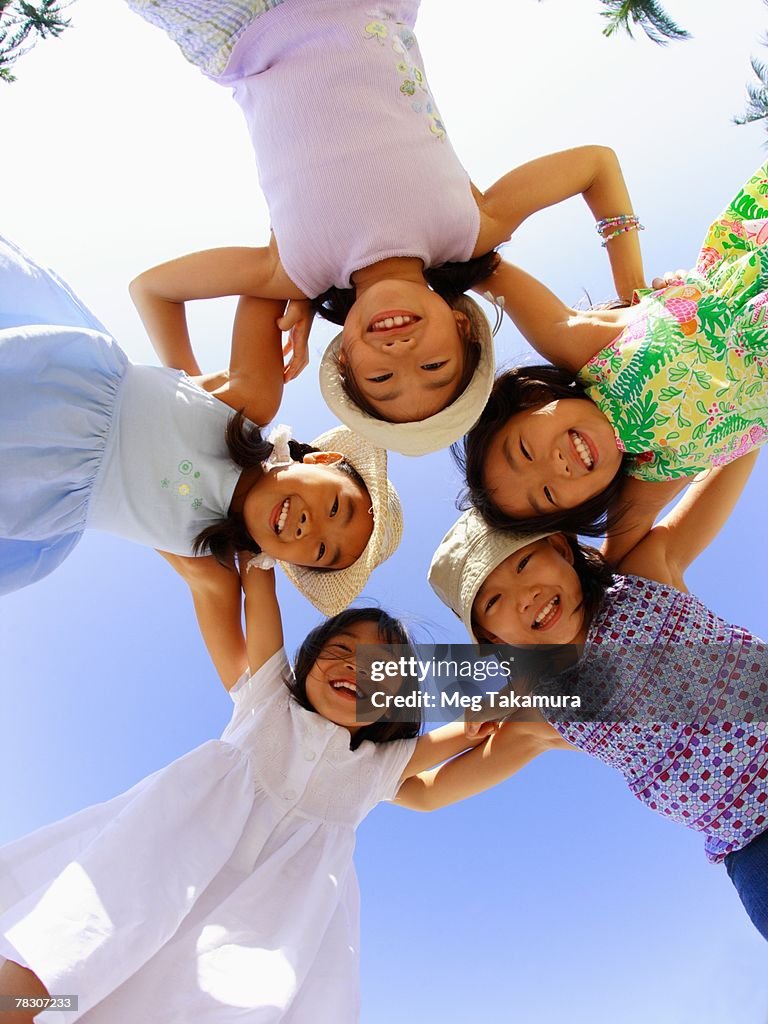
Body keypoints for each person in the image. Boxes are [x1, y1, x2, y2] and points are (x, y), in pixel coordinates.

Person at [0, 548, 557, 1024]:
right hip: (163, 861)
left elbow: (463, 736)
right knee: (64, 957)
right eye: (341, 651)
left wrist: (501, 708)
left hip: (255, 917)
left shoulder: (378, 766)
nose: (356, 668)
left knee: (188, 1001)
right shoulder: (268, 701)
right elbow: (258, 596)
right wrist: (261, 555)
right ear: (307, 662)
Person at [122, 0, 646, 454]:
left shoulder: (294, 271)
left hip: (234, 27)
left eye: (381, 379)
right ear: (463, 327)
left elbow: (153, 289)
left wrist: (186, 383)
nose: (403, 357)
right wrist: (632, 292)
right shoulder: (470, 227)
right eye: (435, 366)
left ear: (346, 355)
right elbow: (597, 165)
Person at [428, 451, 768, 940]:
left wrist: (744, 404)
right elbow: (426, 792)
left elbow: (731, 447)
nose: (523, 594)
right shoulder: (544, 712)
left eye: (524, 562)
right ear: (494, 639)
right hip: (753, 843)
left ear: (563, 551)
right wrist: (336, 765)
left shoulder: (642, 578)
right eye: (494, 600)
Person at [0, 235, 402, 613]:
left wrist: (184, 387)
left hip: (31, 493)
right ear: (322, 461)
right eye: (335, 507)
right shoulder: (250, 402)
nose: (310, 530)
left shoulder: (206, 557)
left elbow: (251, 683)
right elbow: (269, 269)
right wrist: (301, 295)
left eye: (319, 553)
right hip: (52, 392)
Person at [458, 163, 768, 549]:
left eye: (523, 450)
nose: (555, 466)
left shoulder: (589, 351)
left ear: (532, 401)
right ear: (584, 507)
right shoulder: (653, 473)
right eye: (548, 496)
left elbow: (475, 259)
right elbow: (618, 558)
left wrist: (636, 290)